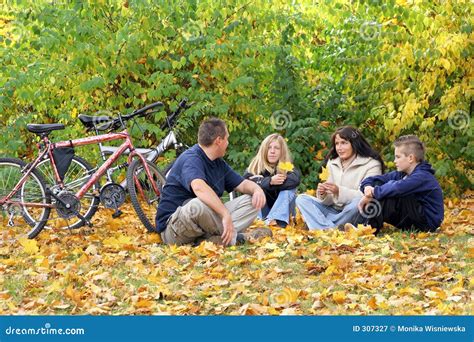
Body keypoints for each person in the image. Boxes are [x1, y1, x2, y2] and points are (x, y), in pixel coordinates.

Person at [155, 118, 272, 246]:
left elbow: (242, 184)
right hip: (173, 229)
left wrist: (257, 190)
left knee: (253, 201)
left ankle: (211, 240)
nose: (228, 143)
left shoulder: (218, 163)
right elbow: (199, 187)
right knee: (197, 205)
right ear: (218, 141)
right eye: (227, 139)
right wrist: (225, 214)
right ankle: (237, 238)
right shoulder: (191, 159)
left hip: (203, 224)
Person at [295, 126, 384, 230]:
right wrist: (323, 194)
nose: (339, 148)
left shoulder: (372, 164)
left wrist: (339, 191)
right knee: (302, 199)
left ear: (355, 144)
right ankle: (331, 228)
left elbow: (367, 195)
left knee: (360, 201)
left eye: (344, 143)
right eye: (337, 144)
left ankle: (321, 225)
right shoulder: (332, 162)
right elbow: (329, 201)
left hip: (355, 211)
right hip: (333, 209)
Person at [359, 135, 444, 233]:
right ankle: (366, 227)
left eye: (398, 157)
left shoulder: (422, 176)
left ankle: (368, 229)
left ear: (411, 158)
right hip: (414, 217)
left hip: (427, 224)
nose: (395, 161)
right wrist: (367, 188)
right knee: (382, 186)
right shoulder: (402, 174)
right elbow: (373, 179)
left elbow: (398, 188)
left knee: (389, 192)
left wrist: (374, 192)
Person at [243, 133, 300, 228]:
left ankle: (274, 221)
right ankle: (259, 223)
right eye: (269, 148)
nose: (272, 151)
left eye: (276, 148)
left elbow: (294, 180)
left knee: (289, 190)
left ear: (282, 151)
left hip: (284, 215)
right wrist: (269, 181)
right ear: (264, 150)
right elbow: (245, 183)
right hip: (262, 212)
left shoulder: (287, 167)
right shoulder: (255, 167)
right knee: (254, 190)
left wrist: (264, 182)